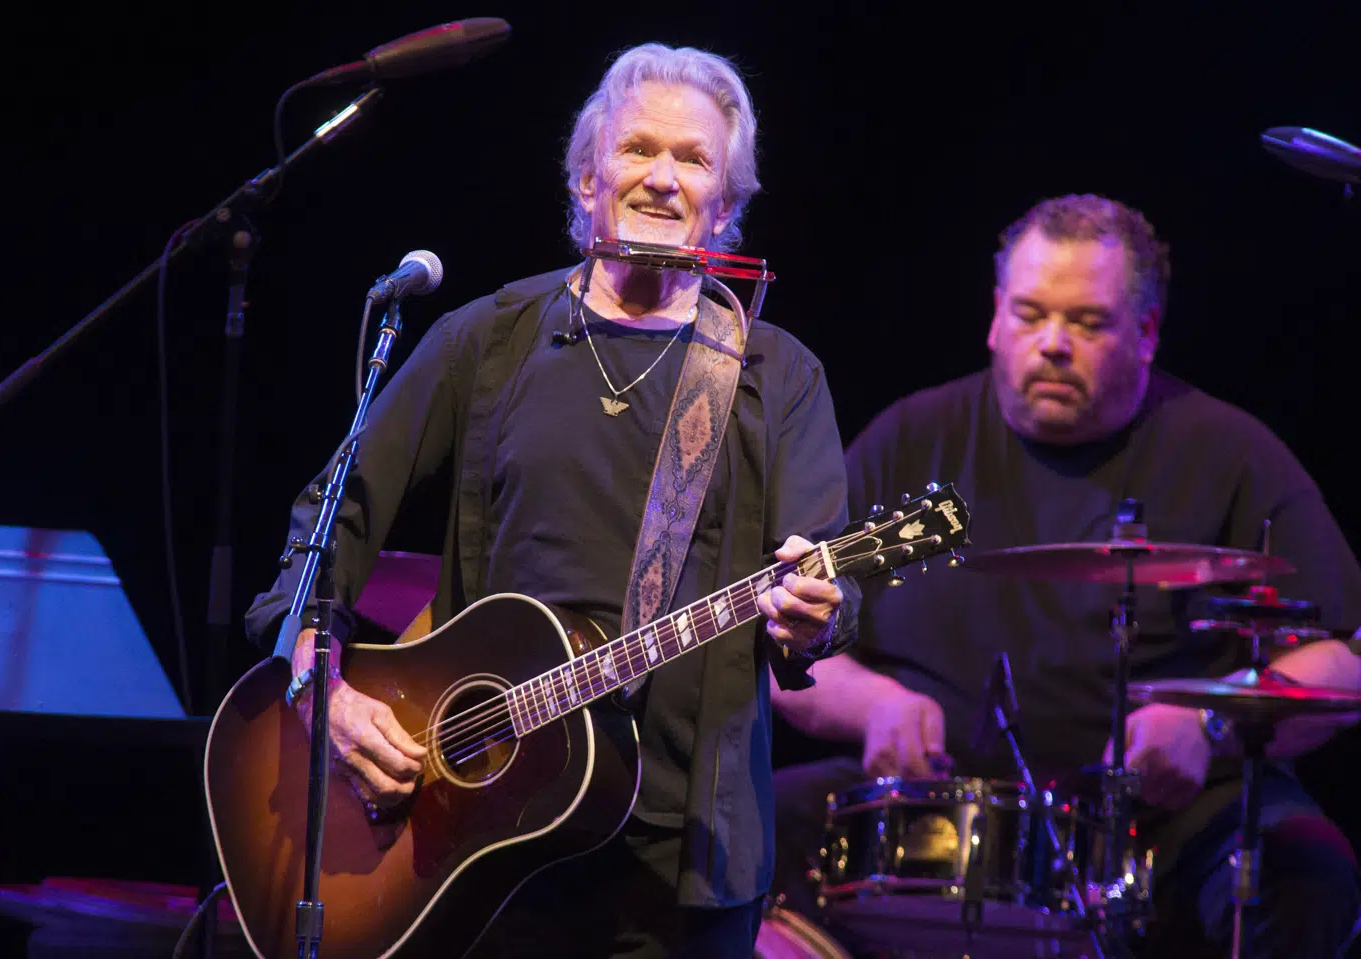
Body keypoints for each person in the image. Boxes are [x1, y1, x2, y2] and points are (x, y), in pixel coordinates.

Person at [242, 43, 861, 959]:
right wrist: (315, 678)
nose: (660, 177)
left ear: (724, 204)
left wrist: (816, 613)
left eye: (693, 159)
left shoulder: (780, 375)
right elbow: (334, 515)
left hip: (677, 861)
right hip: (464, 832)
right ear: (586, 179)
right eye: (636, 149)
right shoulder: (487, 338)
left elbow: (826, 590)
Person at [768, 194, 1361, 958]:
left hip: (1170, 819)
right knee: (728, 827)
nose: (1051, 343)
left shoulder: (1231, 452)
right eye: (1028, 313)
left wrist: (1213, 729)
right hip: (932, 810)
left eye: (1086, 322)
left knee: (1307, 868)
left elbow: (1347, 659)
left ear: (1146, 333)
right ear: (992, 316)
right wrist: (873, 705)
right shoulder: (911, 439)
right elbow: (791, 646)